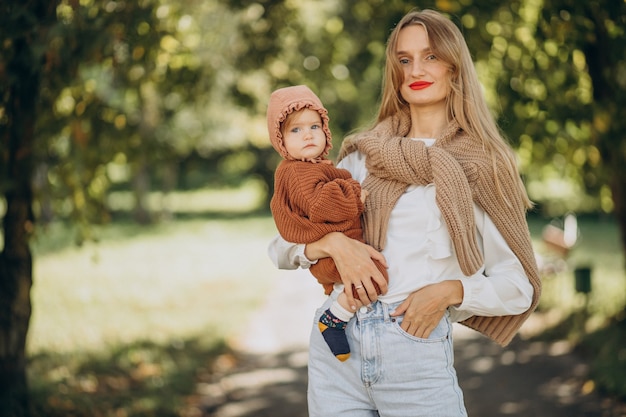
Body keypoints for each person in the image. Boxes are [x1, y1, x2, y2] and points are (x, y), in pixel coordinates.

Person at [268, 8, 542, 416]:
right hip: (336, 350)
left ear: (455, 67)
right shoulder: (363, 155)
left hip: (414, 352)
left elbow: (519, 286)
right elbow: (280, 247)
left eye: (431, 56)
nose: (416, 68)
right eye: (404, 59)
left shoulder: (483, 164)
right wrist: (334, 245)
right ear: (394, 72)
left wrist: (450, 292)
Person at [267, 84, 389, 362]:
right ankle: (334, 319)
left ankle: (338, 306)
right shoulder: (297, 172)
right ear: (281, 141)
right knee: (376, 274)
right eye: (295, 130)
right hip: (328, 252)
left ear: (325, 130)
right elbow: (322, 205)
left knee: (359, 280)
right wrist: (354, 194)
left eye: (314, 126)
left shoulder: (312, 167)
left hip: (331, 250)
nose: (307, 134)